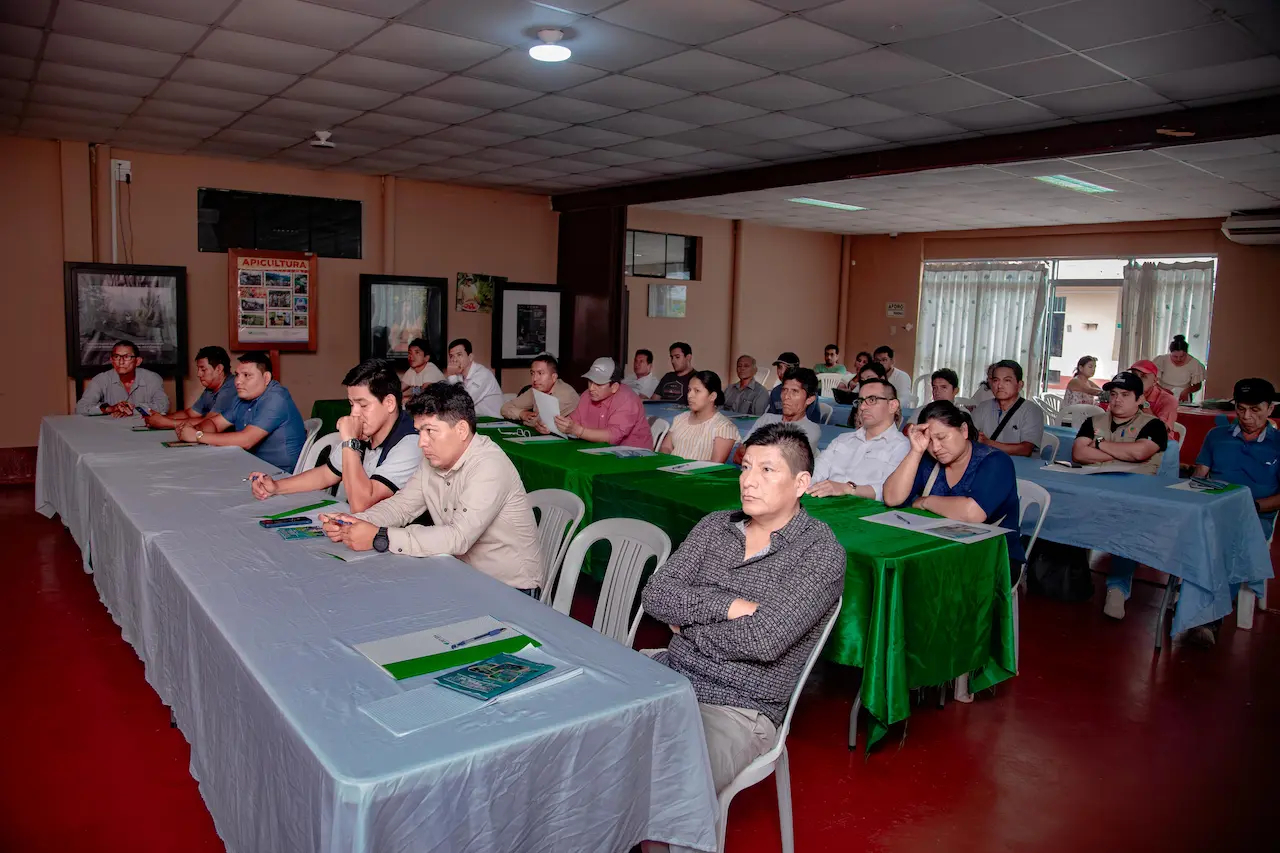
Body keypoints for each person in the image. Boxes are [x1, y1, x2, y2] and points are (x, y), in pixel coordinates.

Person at [639, 422, 845, 796]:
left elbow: (762, 640)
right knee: (586, 739)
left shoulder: (819, 552)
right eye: (746, 467)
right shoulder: (715, 526)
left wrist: (685, 628)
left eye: (767, 470)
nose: (748, 481)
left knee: (666, 783)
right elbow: (656, 595)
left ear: (801, 484)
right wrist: (730, 605)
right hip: (668, 674)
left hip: (739, 708)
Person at [320, 383, 543, 593]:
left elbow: (458, 538)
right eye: (419, 432)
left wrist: (381, 537)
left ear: (462, 430)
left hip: (509, 588)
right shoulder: (433, 460)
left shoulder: (489, 465)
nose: (421, 442)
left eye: (430, 431)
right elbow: (402, 506)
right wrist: (357, 522)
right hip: (461, 575)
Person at [247, 360, 421, 513]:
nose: (354, 413)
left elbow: (361, 504)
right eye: (352, 404)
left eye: (363, 405)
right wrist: (277, 487)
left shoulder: (411, 443)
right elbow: (327, 474)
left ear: (389, 403)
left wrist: (350, 442)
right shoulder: (367, 431)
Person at [1187, 378, 1280, 645]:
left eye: (1256, 410)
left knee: (1229, 543)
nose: (1247, 417)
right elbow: (1200, 475)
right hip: (1215, 509)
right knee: (1185, 528)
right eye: (1241, 409)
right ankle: (1189, 600)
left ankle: (1209, 618)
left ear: (1270, 409)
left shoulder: (1278, 444)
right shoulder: (1217, 436)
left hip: (1255, 516)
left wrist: (1253, 505)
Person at [883, 400, 1023, 577]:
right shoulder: (928, 461)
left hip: (993, 557)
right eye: (929, 441)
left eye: (942, 438)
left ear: (964, 430)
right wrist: (916, 451)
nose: (936, 448)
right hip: (936, 549)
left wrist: (925, 501)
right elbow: (891, 497)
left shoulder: (995, 461)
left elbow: (973, 513)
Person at [1073, 372, 1170, 624]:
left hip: (1136, 497)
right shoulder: (1094, 420)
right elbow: (1078, 454)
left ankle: (1117, 587)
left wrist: (1100, 445)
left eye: (1125, 395)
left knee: (1127, 521)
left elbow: (1140, 452)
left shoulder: (1153, 425)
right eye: (1113, 394)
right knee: (1063, 508)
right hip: (1095, 492)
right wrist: (1118, 455)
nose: (1116, 400)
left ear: (1140, 399)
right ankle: (1068, 575)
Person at [176, 351, 306, 473]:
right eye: (237, 375)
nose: (238, 381)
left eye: (247, 375)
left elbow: (246, 440)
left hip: (280, 473)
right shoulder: (243, 398)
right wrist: (198, 431)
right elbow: (215, 423)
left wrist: (198, 436)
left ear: (266, 378)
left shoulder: (276, 398)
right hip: (252, 466)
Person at [809, 377, 910, 500]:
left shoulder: (901, 446)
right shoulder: (842, 439)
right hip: (826, 503)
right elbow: (817, 471)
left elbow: (887, 491)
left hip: (867, 511)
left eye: (872, 400)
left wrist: (847, 488)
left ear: (893, 405)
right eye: (861, 401)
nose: (862, 407)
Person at [547, 357, 653, 449]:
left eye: (598, 384)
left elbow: (612, 437)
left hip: (634, 457)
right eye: (590, 381)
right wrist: (553, 425)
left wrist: (578, 430)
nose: (591, 388)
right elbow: (573, 421)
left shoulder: (627, 399)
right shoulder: (587, 395)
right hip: (599, 451)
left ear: (614, 387)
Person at [734, 367, 822, 463]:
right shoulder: (766, 419)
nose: (786, 396)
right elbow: (739, 456)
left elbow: (786, 465)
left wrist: (754, 454)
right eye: (784, 390)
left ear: (810, 399)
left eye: (794, 391)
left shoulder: (811, 430)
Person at [142, 346, 237, 429]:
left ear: (219, 369)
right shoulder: (210, 388)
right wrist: (160, 418)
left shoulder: (231, 387)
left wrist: (166, 423)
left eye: (203, 369)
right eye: (198, 369)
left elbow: (210, 422)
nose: (198, 374)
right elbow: (190, 414)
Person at [660, 370, 739, 463]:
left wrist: (682, 468)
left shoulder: (724, 427)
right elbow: (666, 447)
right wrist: (666, 462)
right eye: (689, 390)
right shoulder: (680, 418)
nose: (689, 395)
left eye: (697, 391)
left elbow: (715, 464)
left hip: (697, 476)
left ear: (712, 396)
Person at [970, 359, 1044, 457]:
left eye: (1007, 380)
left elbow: (1025, 449)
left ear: (1020, 385)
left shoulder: (1032, 410)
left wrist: (987, 442)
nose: (1000, 385)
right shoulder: (983, 407)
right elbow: (967, 435)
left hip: (1021, 468)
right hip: (990, 464)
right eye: (996, 380)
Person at [75, 340, 170, 417]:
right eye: (116, 356)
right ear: (112, 361)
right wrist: (110, 409)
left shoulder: (152, 378)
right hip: (110, 431)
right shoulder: (101, 379)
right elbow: (80, 408)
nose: (121, 361)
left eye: (127, 357)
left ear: (138, 361)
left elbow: (163, 406)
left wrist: (131, 410)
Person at [498, 353, 579, 427]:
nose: (535, 379)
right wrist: (521, 414)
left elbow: (543, 422)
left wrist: (523, 419)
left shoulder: (565, 394)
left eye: (540, 373)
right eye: (532, 373)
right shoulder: (537, 388)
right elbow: (505, 408)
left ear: (554, 377)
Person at [445, 337, 503, 418]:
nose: (454, 360)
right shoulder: (458, 375)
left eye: (459, 355)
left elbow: (461, 404)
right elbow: (448, 402)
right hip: (474, 420)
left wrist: (451, 376)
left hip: (493, 422)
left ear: (470, 357)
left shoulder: (482, 374)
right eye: (451, 356)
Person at [1128, 359, 1178, 437]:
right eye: (1134, 375)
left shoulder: (1169, 400)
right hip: (1130, 439)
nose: (1137, 380)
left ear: (1155, 381)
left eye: (1143, 376)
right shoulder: (1124, 394)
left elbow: (1161, 430)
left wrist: (1144, 405)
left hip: (1160, 443)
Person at [767, 352, 821, 422]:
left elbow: (805, 419)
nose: (781, 372)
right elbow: (771, 415)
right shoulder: (775, 391)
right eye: (779, 367)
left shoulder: (807, 390)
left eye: (787, 367)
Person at [1154, 334, 1205, 402]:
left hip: (1183, 397)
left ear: (1186, 353)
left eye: (1182, 356)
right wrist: (1163, 391)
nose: (1178, 359)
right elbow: (1152, 381)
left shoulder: (1195, 364)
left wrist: (1186, 391)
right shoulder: (1161, 360)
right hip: (1162, 395)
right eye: (1175, 356)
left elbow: (1197, 386)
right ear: (1171, 353)